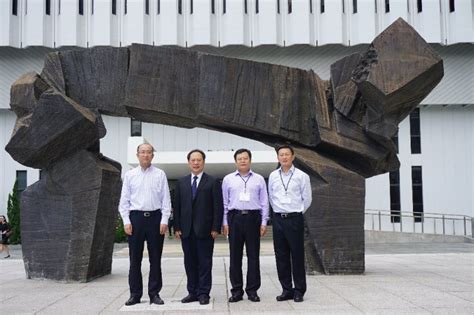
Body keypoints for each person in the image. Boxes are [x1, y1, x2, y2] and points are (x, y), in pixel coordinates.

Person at [118, 143, 171, 306]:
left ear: (153, 155)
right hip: (136, 219)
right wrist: (126, 221)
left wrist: (164, 220)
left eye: (149, 152)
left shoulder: (160, 174)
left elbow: (166, 200)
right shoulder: (130, 175)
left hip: (155, 219)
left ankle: (154, 293)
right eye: (142, 152)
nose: (146, 155)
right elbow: (124, 201)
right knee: (135, 259)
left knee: (155, 259)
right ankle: (135, 294)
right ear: (137, 155)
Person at [174, 149, 223, 305]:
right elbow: (177, 207)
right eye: (193, 160)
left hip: (206, 230)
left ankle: (203, 293)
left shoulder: (212, 181)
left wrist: (216, 228)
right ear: (189, 162)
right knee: (189, 263)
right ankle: (192, 292)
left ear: (203, 162)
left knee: (205, 263)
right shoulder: (181, 182)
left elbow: (218, 206)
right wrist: (177, 227)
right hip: (186, 231)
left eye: (199, 160)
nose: (196, 163)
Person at [222, 148, 269, 303]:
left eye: (245, 158)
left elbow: (264, 202)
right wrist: (225, 222)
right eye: (240, 158)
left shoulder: (259, 179)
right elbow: (224, 202)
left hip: (253, 218)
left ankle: (252, 290)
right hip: (234, 217)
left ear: (250, 160)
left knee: (253, 256)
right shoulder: (228, 179)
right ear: (235, 161)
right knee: (235, 257)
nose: (243, 161)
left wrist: (263, 222)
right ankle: (236, 291)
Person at [268, 145, 312, 303]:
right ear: (278, 158)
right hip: (278, 219)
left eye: (287, 154)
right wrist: (278, 212)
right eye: (281, 155)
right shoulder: (273, 175)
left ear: (293, 157)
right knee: (281, 256)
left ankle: (299, 290)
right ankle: (286, 289)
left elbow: (307, 199)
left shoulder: (302, 176)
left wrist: (297, 212)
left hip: (294, 219)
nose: (284, 157)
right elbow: (271, 197)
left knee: (297, 255)